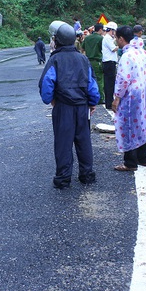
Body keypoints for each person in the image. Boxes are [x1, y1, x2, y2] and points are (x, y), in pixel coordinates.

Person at [39, 21, 100, 189]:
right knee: (84, 141)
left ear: (56, 40)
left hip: (63, 106)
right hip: (82, 107)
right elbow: (92, 85)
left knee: (63, 143)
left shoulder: (55, 60)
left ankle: (63, 178)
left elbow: (46, 85)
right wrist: (92, 102)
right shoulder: (83, 59)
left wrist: (51, 100)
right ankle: (87, 175)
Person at [112, 26, 146, 171]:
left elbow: (123, 79)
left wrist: (117, 98)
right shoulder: (142, 52)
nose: (117, 41)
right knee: (142, 124)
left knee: (129, 126)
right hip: (145, 93)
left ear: (121, 39)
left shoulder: (127, 56)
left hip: (131, 96)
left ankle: (130, 162)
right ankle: (144, 158)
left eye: (117, 38)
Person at [81, 23, 105, 106]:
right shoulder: (101, 38)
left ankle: (89, 96)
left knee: (89, 79)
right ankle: (100, 98)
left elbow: (82, 48)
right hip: (97, 60)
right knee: (99, 79)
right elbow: (104, 50)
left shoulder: (87, 38)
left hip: (87, 61)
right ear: (101, 29)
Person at [102, 22, 118, 110]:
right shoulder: (107, 38)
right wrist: (120, 44)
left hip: (109, 63)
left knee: (110, 83)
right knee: (109, 84)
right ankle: (109, 103)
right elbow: (114, 48)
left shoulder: (108, 38)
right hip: (109, 63)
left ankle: (109, 101)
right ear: (111, 30)